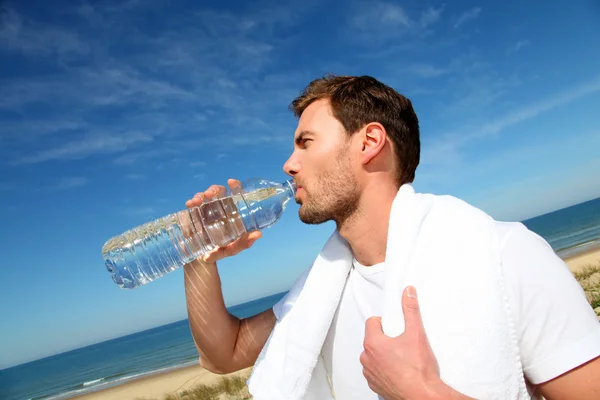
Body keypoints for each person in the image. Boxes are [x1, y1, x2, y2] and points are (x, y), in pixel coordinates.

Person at [183, 75, 600, 399]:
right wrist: (199, 255)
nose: (289, 164)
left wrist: (423, 393)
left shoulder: (506, 256)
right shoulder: (321, 288)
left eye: (306, 143)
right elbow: (225, 353)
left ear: (369, 142)